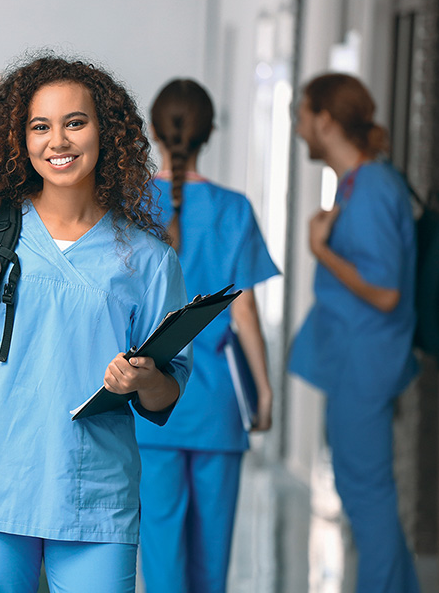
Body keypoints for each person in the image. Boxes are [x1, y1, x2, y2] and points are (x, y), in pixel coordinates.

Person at [0, 55, 191, 593]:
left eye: (76, 122)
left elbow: (167, 390)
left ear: (106, 132)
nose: (59, 141)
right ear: (21, 140)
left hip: (93, 494)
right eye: (40, 126)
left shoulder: (146, 259)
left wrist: (143, 379)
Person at [133, 79, 279, 593]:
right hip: (218, 407)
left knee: (160, 554)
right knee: (211, 563)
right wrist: (263, 392)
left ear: (153, 130)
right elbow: (246, 315)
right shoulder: (233, 209)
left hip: (151, 410)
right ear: (210, 133)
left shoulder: (130, 207)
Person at [289, 73, 420, 592]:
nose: (299, 128)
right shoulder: (356, 183)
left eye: (302, 116)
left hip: (368, 361)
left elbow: (386, 291)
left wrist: (322, 252)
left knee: (367, 494)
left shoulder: (371, 189)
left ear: (325, 119)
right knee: (361, 487)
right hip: (355, 359)